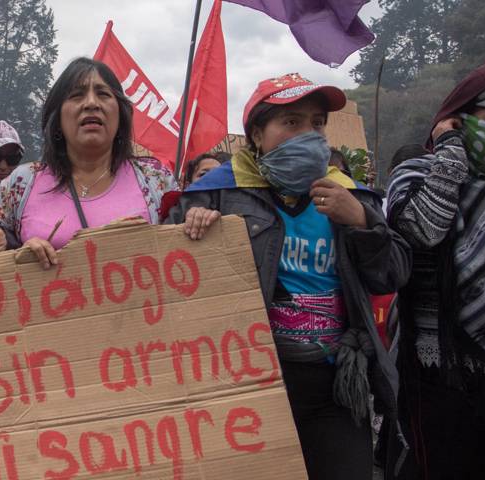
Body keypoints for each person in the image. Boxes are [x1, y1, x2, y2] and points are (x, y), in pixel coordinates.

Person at [169, 73, 411, 480]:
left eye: (317, 123)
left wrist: (363, 222)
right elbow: (171, 282)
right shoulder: (213, 194)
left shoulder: (355, 197)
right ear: (257, 134)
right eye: (292, 122)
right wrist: (190, 232)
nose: (309, 136)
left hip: (335, 390)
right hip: (246, 389)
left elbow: (392, 275)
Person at [386, 58, 485, 480]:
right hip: (441, 378)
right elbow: (425, 231)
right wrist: (451, 152)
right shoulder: (415, 174)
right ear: (460, 120)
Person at [0, 57, 178, 261]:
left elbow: (191, 250)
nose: (91, 103)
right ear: (58, 117)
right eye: (77, 95)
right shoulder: (21, 183)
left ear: (121, 114)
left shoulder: (155, 179)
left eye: (103, 94)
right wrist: (12, 251)